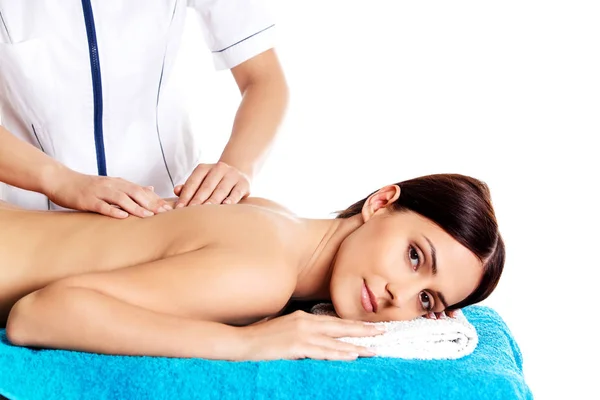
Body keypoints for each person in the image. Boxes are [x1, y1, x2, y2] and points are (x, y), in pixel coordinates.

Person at [2, 173, 504, 361]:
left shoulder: (273, 214)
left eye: (427, 301)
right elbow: (39, 315)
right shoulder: (266, 275)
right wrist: (246, 343)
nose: (400, 294)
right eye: (415, 256)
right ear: (381, 201)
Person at [0, 1, 288, 218]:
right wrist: (60, 181)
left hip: (166, 209)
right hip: (34, 220)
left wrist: (238, 167)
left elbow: (263, 78)